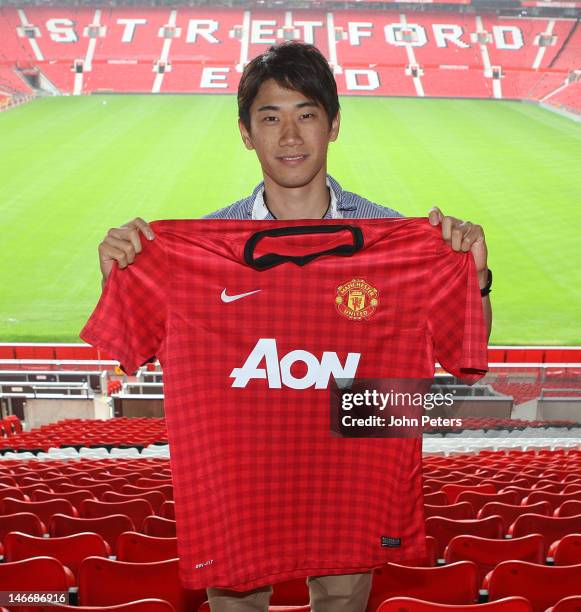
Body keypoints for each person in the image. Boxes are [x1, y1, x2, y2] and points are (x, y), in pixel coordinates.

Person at [96, 41, 492, 612]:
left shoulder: (395, 241)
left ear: (332, 125)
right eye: (270, 117)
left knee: (342, 594)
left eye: (306, 114)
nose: (289, 136)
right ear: (245, 131)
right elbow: (126, 346)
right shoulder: (194, 249)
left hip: (353, 475)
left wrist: (471, 275)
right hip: (241, 481)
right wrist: (125, 274)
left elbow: (463, 357)